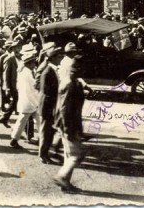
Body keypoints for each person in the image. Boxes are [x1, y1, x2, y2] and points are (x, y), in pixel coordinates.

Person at [54, 53, 91, 192]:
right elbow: (64, 109)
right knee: (77, 155)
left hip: (68, 124)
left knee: (69, 156)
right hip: (68, 125)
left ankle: (65, 184)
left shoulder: (73, 82)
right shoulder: (70, 84)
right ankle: (62, 177)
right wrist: (68, 129)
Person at [38, 43, 65, 164]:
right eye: (59, 57)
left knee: (49, 131)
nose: (61, 59)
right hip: (48, 107)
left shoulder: (53, 70)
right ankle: (43, 155)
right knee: (46, 131)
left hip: (51, 106)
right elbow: (46, 93)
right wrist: (54, 108)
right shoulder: (48, 72)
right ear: (53, 58)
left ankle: (47, 152)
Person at [9, 50, 40, 149]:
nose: (34, 64)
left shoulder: (25, 71)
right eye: (33, 62)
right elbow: (30, 90)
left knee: (29, 121)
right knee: (23, 121)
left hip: (28, 101)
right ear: (29, 63)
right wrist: (36, 102)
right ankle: (14, 140)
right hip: (29, 102)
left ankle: (15, 139)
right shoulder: (26, 74)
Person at [0, 41, 19, 128]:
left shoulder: (17, 57)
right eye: (16, 47)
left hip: (16, 83)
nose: (18, 49)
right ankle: (5, 117)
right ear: (11, 49)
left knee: (15, 101)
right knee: (14, 101)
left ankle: (4, 118)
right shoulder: (7, 58)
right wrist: (5, 86)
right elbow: (3, 73)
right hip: (11, 84)